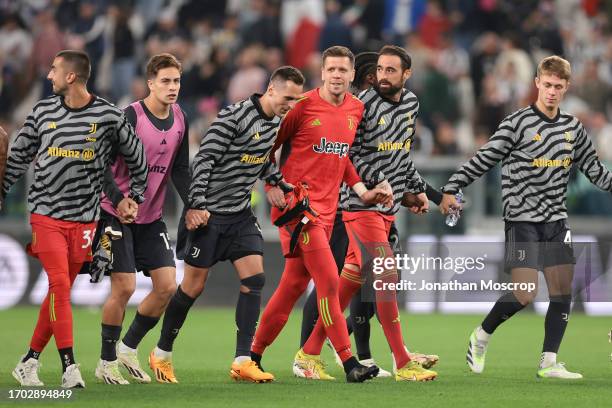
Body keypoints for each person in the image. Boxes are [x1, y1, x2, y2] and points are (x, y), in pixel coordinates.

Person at [439, 55, 612, 379]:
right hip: (521, 220)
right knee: (525, 293)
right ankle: (482, 335)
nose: (551, 92)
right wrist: (452, 185)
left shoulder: (573, 129)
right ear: (536, 83)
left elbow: (597, 173)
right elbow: (484, 158)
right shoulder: (517, 123)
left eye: (558, 87)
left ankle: (549, 362)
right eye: (547, 85)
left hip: (556, 221)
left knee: (562, 292)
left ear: (566, 88)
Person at [149, 66, 306, 384]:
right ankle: (161, 354)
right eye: (288, 97)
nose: (291, 104)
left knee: (256, 279)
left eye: (297, 99)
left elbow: (261, 157)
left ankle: (243, 360)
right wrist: (196, 205)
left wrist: (275, 181)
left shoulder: (276, 121)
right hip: (209, 215)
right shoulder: (233, 117)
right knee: (193, 287)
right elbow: (204, 159)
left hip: (239, 215)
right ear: (271, 90)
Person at [6, 50, 147, 388]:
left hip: (84, 220)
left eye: (54, 70)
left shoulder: (110, 116)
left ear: (71, 77)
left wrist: (133, 199)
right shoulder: (42, 112)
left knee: (60, 291)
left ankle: (28, 361)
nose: (49, 75)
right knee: (58, 286)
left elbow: (138, 160)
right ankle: (70, 365)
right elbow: (16, 160)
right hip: (45, 215)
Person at [249, 46, 391, 383]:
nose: (337, 76)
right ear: (322, 72)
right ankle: (348, 362)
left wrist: (362, 193)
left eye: (343, 70)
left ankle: (251, 356)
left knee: (293, 286)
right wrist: (270, 182)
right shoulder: (302, 106)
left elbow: (343, 159)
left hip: (328, 212)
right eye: (331, 70)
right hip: (298, 209)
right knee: (329, 281)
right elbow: (266, 145)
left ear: (352, 74)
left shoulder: (356, 109)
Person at [299, 45, 438, 382]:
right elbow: (346, 154)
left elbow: (402, 155)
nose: (382, 76)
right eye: (379, 70)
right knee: (386, 274)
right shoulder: (362, 106)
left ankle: (309, 354)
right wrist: (372, 184)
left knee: (350, 281)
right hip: (358, 204)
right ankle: (404, 361)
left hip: (388, 206)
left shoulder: (411, 104)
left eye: (391, 70)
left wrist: (414, 189)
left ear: (407, 74)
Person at [94, 53, 190, 385]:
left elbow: (180, 169)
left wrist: (194, 204)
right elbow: (101, 164)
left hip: (151, 218)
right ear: (150, 83)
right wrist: (120, 199)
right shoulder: (129, 117)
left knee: (166, 287)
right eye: (165, 80)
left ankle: (128, 347)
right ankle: (106, 362)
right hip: (114, 215)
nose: (172, 87)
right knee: (125, 287)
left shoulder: (180, 118)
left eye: (176, 80)